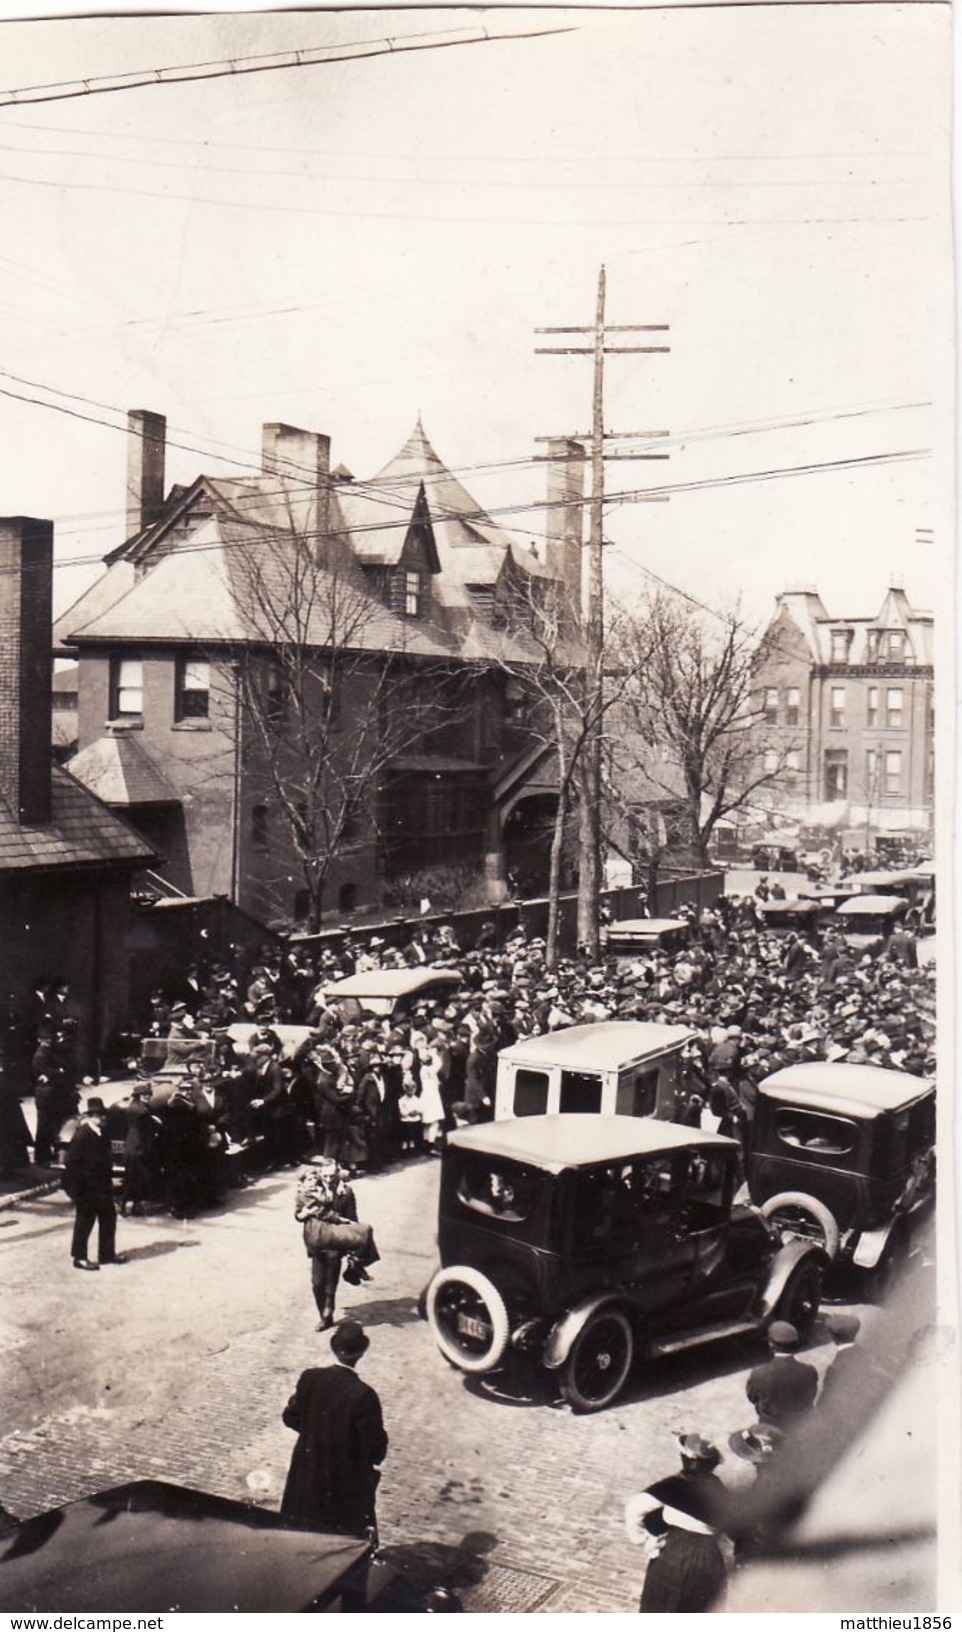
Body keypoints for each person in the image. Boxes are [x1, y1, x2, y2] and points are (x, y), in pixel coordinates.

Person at [280, 1319, 388, 1541]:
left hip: (306, 1476)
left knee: (296, 1538)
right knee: (342, 1545)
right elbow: (376, 1450)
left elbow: (290, 1417)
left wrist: (316, 1431)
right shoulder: (364, 1395)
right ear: (361, 1353)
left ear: (334, 1348)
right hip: (344, 1485)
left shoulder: (310, 1378)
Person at [625, 1435, 727, 1612]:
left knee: (660, 1607)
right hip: (710, 1559)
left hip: (675, 1555)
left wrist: (642, 1539)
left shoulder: (675, 1486)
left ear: (687, 1459)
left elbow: (634, 1508)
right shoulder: (719, 1488)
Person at [295, 1156, 379, 1330]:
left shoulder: (345, 1192)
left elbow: (351, 1219)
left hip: (336, 1240)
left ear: (337, 1173)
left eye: (332, 1176)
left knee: (331, 1275)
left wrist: (350, 1244)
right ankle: (324, 1311)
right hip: (317, 1240)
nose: (328, 1180)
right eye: (325, 1176)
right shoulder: (310, 1187)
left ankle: (328, 1312)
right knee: (317, 1282)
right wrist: (300, 1215)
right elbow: (299, 1211)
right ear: (319, 1174)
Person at [62, 1097, 126, 1271]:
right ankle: (79, 1257)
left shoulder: (102, 1132)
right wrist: (80, 1185)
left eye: (102, 1115)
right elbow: (71, 1162)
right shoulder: (83, 1134)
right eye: (96, 1115)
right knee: (85, 1222)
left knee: (108, 1218)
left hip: (102, 1186)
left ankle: (106, 1254)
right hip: (87, 1188)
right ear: (89, 1116)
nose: (101, 1118)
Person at [746, 1321, 819, 1430]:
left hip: (771, 1428)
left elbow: (752, 1397)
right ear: (795, 1344)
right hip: (802, 1428)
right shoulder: (809, 1371)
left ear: (771, 1344)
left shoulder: (759, 1373)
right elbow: (810, 1397)